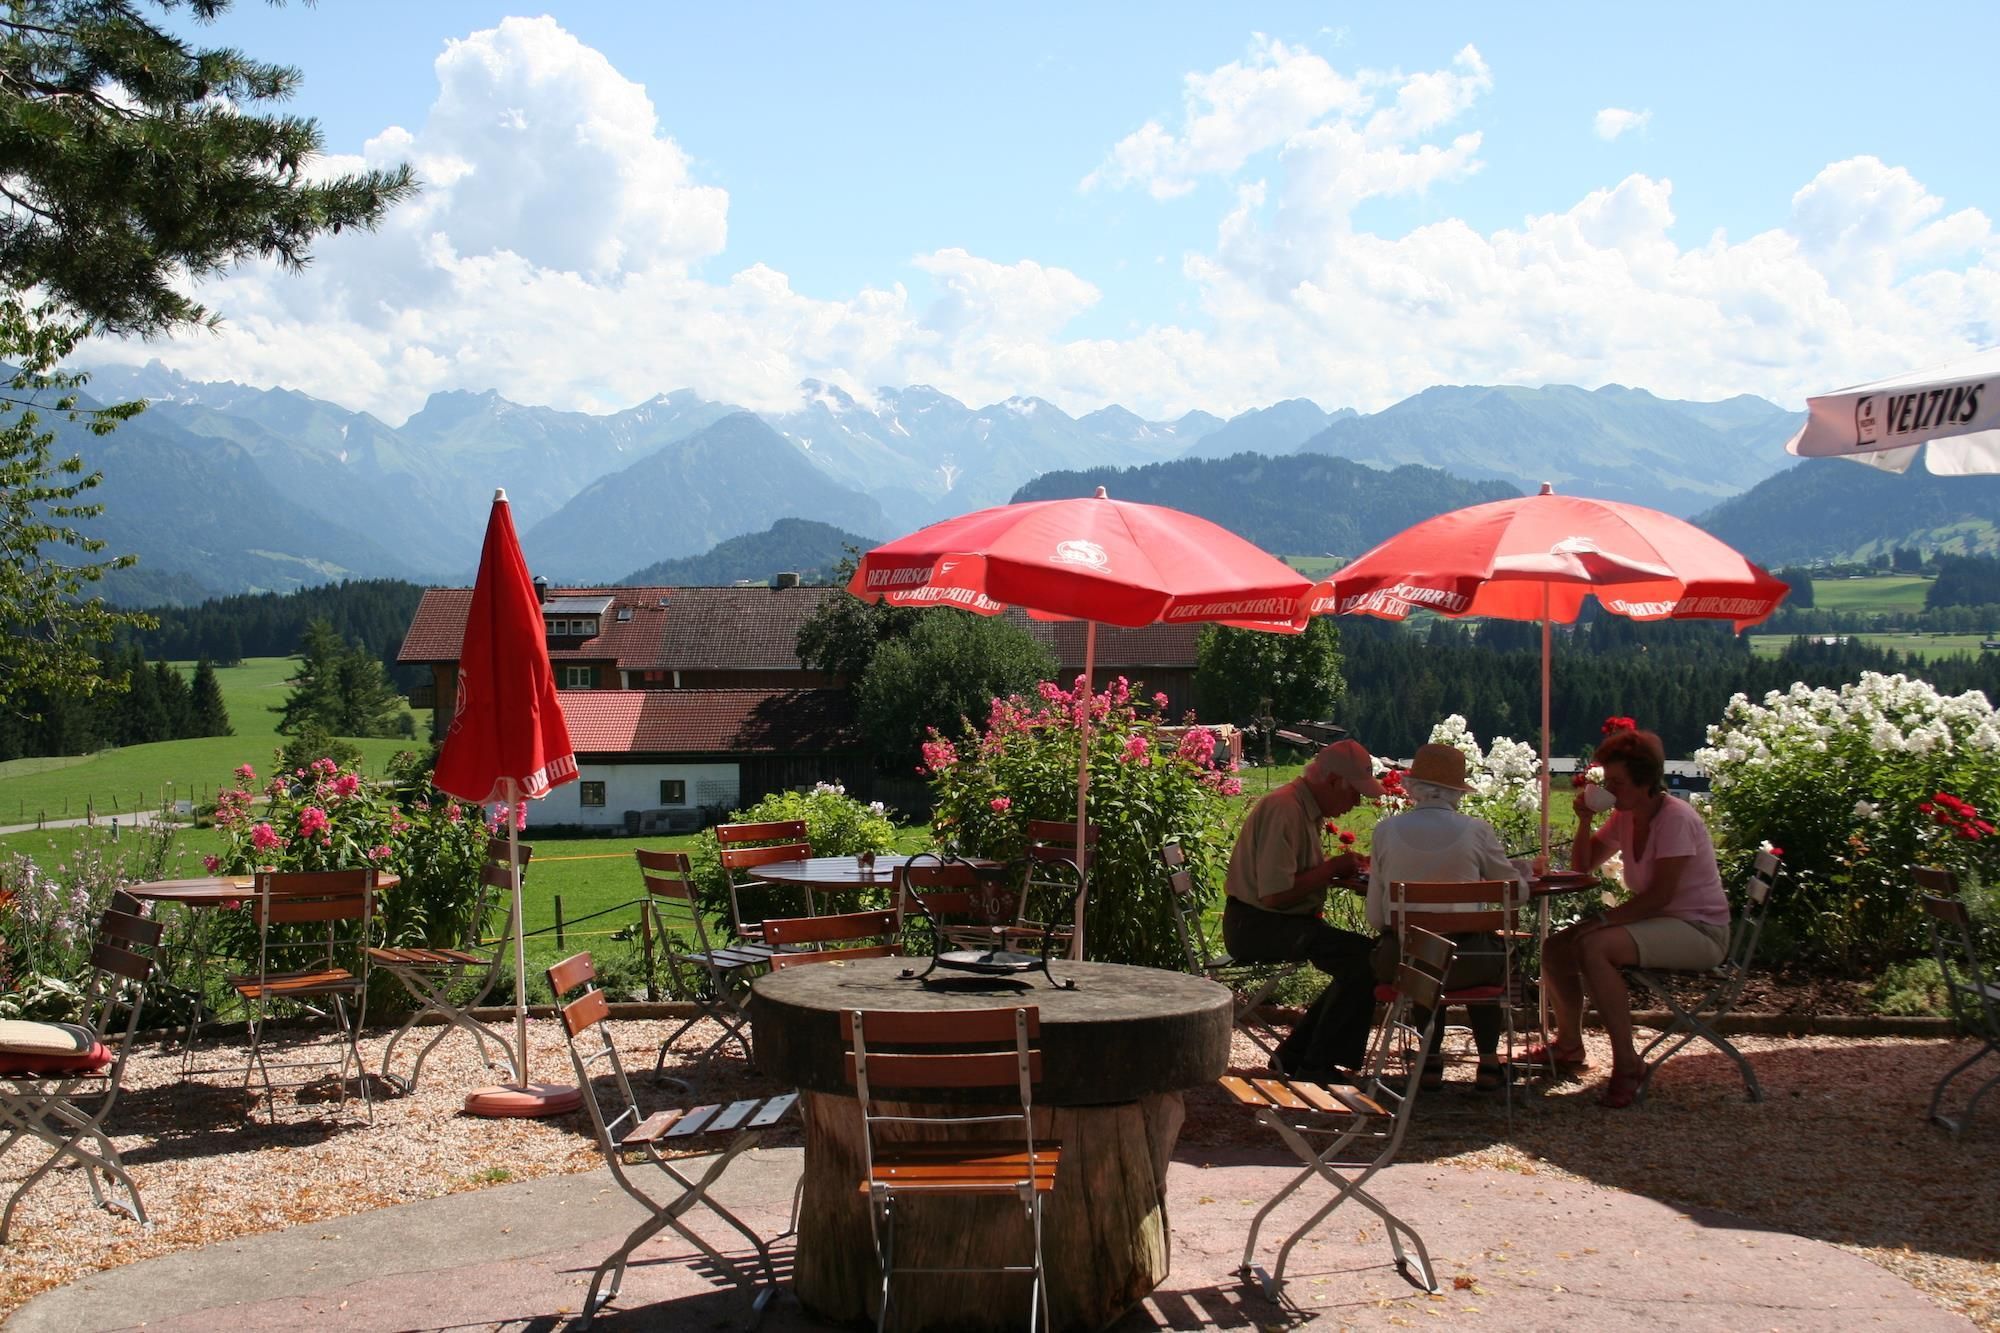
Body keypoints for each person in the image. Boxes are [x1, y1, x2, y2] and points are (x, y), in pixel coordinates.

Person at [1538, 726, 1731, 1109]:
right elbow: (1583, 866)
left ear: (1644, 782)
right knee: (1557, 946)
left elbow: (1662, 896)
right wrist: (1583, 820)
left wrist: (1606, 922)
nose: (1609, 789)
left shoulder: (1675, 819)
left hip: (1700, 929)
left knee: (1593, 946)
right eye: (1606, 780)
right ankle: (1570, 1046)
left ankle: (1627, 1065)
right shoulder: (1627, 815)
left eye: (1616, 782)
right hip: (1664, 920)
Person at [1367, 742, 1528, 1091]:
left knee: (1424, 954)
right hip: (1469, 963)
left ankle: (1429, 1060)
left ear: (1412, 787)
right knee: (1485, 950)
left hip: (1405, 965)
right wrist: (1524, 874)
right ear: (1457, 790)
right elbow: (1515, 894)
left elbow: (1376, 917)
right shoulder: (1476, 830)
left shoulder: (1385, 831)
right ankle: (1488, 1062)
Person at [1222, 738, 1384, 1079]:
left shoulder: (1300, 807)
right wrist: (1330, 870)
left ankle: (1300, 1054)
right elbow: (1274, 895)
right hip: (1257, 927)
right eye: (1354, 792)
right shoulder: (1286, 809)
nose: (1356, 802)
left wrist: (1337, 871)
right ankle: (1314, 1063)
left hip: (1272, 921)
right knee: (1366, 959)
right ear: (1334, 781)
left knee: (1364, 958)